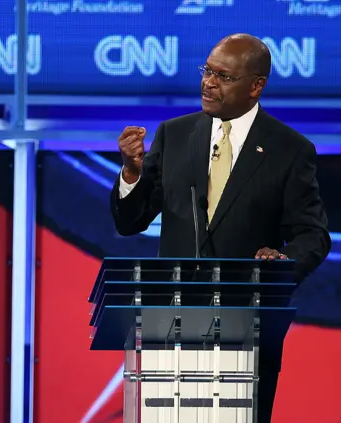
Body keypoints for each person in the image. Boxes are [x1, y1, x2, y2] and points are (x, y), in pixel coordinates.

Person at [110, 33, 330, 422]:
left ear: (255, 86)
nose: (209, 83)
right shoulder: (175, 135)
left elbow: (312, 234)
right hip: (173, 329)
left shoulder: (290, 149)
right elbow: (131, 222)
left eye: (224, 77)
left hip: (248, 329)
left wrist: (281, 263)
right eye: (207, 71)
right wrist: (130, 172)